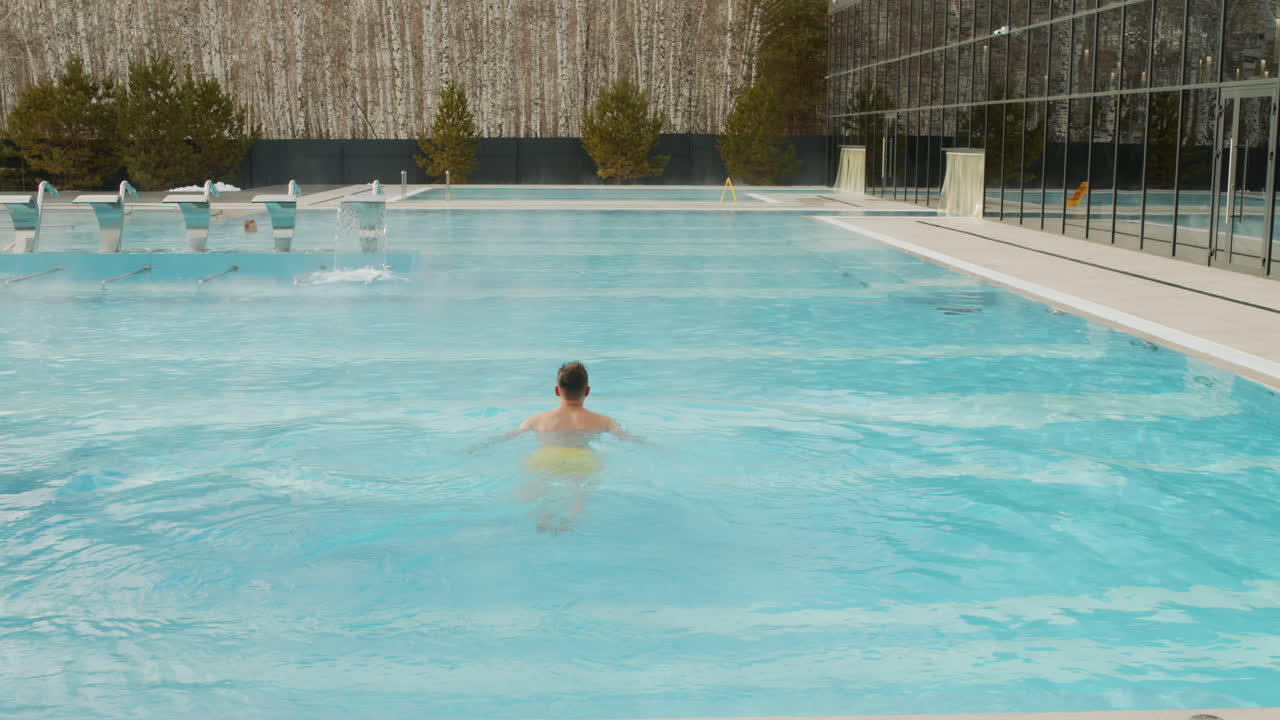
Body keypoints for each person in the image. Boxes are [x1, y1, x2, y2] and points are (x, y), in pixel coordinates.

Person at [471, 361, 634, 533]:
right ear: (587, 391)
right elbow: (626, 438)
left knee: (542, 485)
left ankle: (544, 515)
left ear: (557, 390)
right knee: (580, 492)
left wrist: (478, 446)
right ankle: (571, 518)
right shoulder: (605, 421)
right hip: (583, 459)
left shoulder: (536, 420)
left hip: (545, 458)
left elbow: (506, 437)